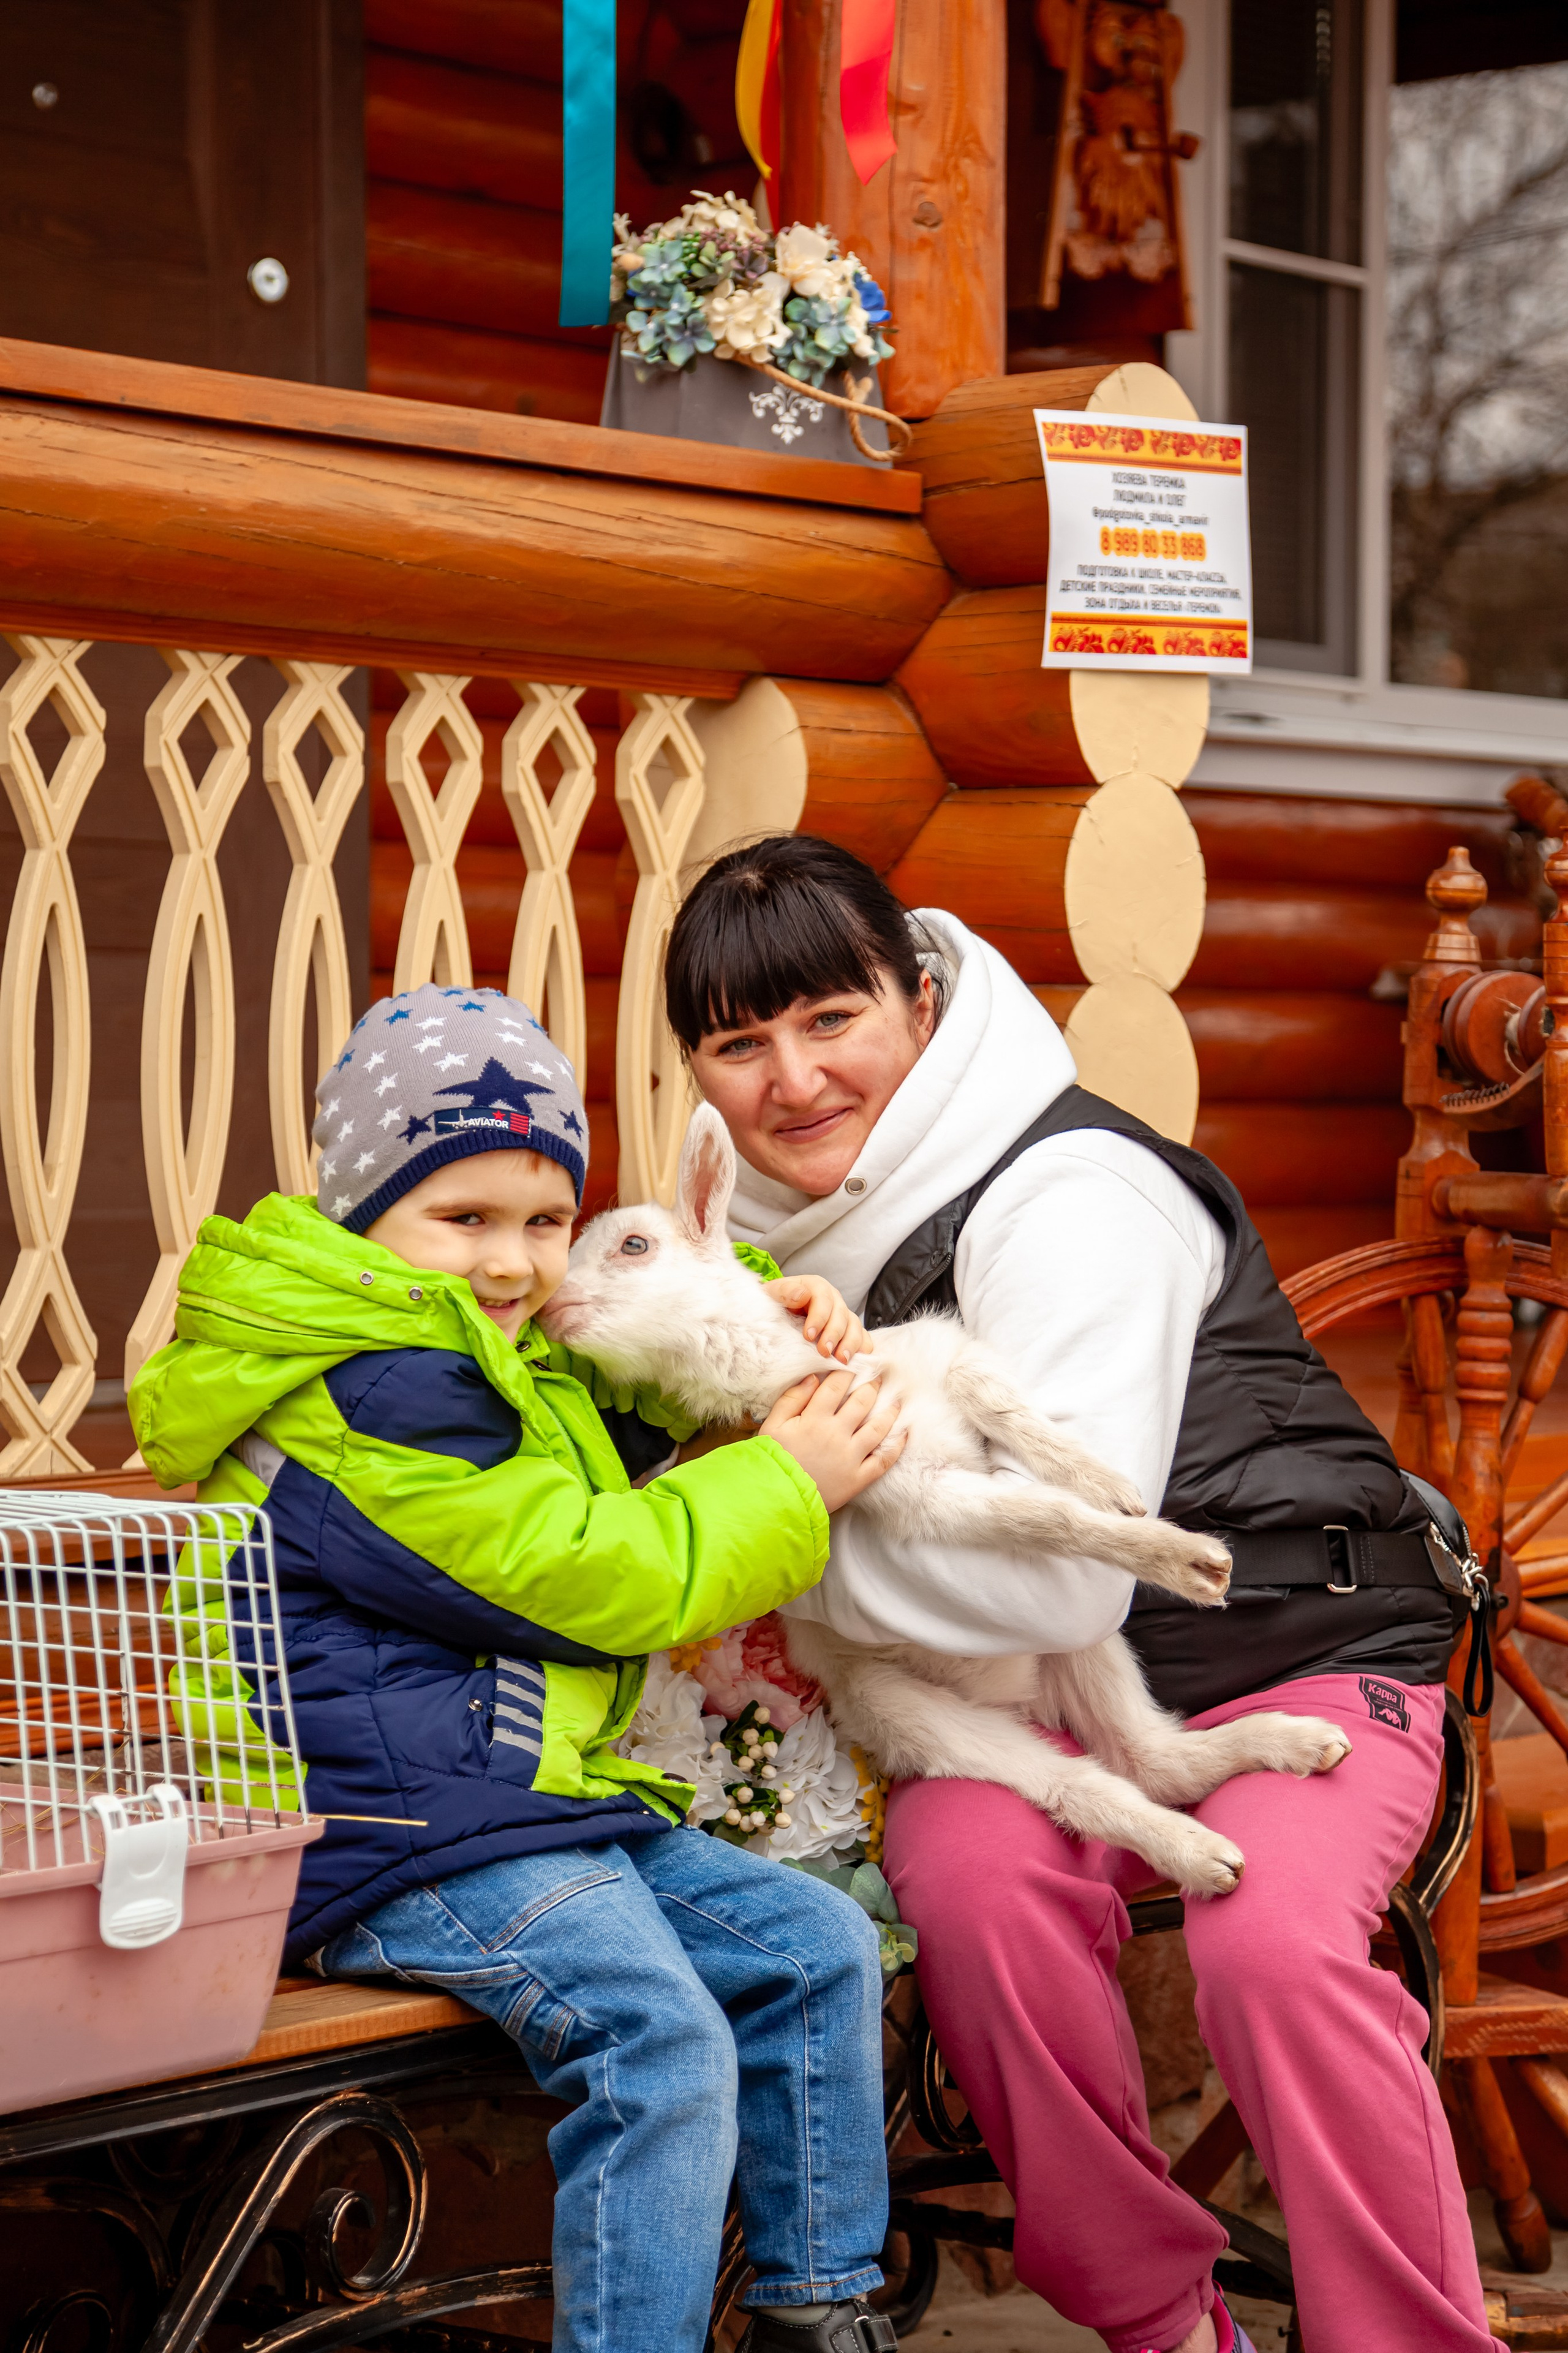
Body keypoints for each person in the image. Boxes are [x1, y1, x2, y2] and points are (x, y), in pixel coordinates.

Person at [664, 834, 1497, 2353]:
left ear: (918, 1001)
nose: (790, 1081)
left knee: (1269, 1943)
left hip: (1288, 1651)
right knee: (971, 1885)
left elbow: (1052, 1581)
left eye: (829, 1019)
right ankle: (1165, 2328)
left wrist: (765, 1517)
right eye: (738, 1044)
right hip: (1053, 1705)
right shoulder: (772, 1255)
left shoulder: (1071, 1189)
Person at [129, 981, 907, 2353]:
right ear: (363, 1212)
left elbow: (596, 1421)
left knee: (816, 1943)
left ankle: (818, 2313)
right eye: (467, 1217)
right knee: (656, 2042)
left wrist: (748, 1323)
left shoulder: (452, 1350)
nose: (515, 1261)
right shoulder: (360, 1393)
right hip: (383, 1830)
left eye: (545, 1220)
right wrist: (787, 1479)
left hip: (507, 1804)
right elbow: (580, 1575)